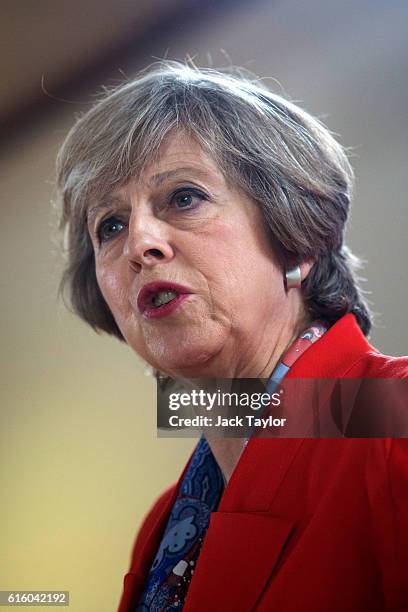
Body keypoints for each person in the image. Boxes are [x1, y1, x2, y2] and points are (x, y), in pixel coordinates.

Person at [56, 62, 408, 612]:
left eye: (184, 197)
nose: (139, 244)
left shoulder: (397, 417)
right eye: (111, 225)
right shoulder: (164, 524)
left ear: (295, 238)